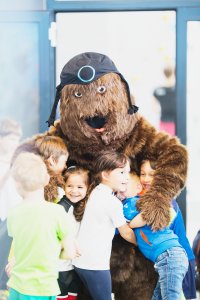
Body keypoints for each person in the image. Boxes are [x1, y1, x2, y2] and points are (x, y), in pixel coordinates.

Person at [6, 152, 79, 300]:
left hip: (17, 285)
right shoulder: (57, 212)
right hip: (43, 288)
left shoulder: (13, 213)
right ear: (47, 179)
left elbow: (21, 246)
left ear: (16, 184)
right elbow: (69, 253)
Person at [122, 159, 194, 300]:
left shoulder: (164, 200)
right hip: (160, 261)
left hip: (173, 257)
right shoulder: (138, 199)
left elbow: (155, 221)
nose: (146, 179)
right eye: (143, 174)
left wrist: (130, 225)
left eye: (152, 174)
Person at [73, 150, 136, 300]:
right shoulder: (111, 202)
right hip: (95, 265)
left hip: (80, 262)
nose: (127, 177)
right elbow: (125, 232)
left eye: (127, 172)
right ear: (105, 175)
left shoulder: (96, 192)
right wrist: (145, 244)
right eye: (121, 172)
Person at [57, 166, 91, 300]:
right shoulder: (61, 207)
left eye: (80, 187)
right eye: (70, 186)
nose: (74, 191)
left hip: (75, 266)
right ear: (64, 186)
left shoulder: (83, 206)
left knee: (73, 296)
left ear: (88, 188)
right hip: (59, 266)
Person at [0, 118, 22, 295]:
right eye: (12, 138)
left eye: (18, 138)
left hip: (15, 216)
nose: (16, 142)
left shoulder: (20, 160)